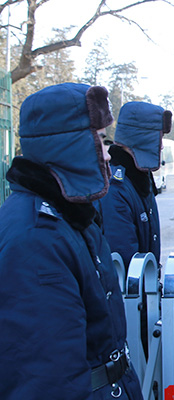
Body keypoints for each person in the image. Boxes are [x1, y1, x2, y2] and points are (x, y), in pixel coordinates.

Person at [0, 83, 142, 399]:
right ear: (68, 144)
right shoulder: (36, 237)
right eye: (99, 140)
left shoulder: (69, 213)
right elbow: (45, 378)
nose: (107, 153)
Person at [100, 101, 172, 268]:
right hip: (134, 280)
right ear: (141, 137)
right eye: (158, 137)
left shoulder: (139, 176)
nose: (161, 146)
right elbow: (122, 258)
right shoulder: (116, 186)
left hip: (146, 277)